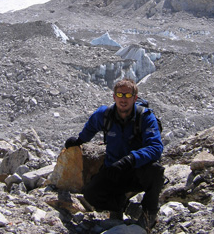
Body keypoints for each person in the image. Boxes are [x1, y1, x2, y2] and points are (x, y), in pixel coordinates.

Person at [65, 78, 164, 230]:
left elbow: (156, 147)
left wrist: (131, 159)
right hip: (113, 170)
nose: (123, 99)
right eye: (120, 94)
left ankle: (149, 213)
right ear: (114, 97)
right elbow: (91, 126)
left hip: (136, 169)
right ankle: (123, 206)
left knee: (155, 171)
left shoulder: (145, 117)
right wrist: (79, 140)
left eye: (128, 95)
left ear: (135, 98)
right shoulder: (105, 115)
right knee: (91, 194)